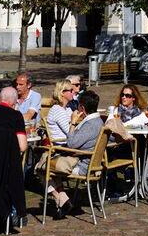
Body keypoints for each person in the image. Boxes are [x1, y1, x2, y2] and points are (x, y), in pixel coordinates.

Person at [45, 90, 104, 220]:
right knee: (49, 162)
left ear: (82, 108)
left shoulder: (90, 124)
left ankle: (59, 198)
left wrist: (72, 122)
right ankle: (62, 199)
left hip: (83, 166)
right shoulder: (99, 121)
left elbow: (71, 143)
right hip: (89, 162)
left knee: (42, 167)